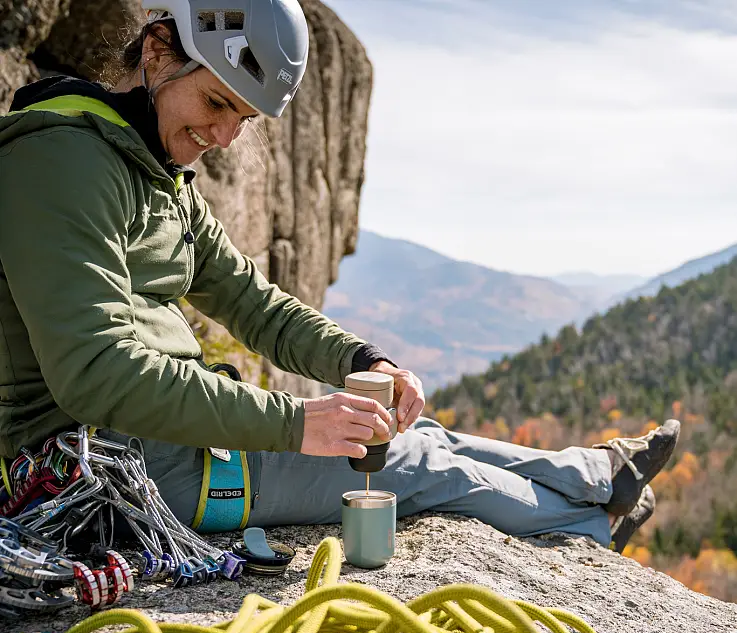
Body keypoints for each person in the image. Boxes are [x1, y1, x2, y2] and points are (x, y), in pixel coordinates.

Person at [0, 0, 679, 555]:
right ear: (156, 50)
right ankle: (587, 532)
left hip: (156, 440)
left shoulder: (152, 171)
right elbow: (92, 371)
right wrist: (296, 422)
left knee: (413, 437)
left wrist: (361, 358)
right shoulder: (60, 162)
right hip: (100, 466)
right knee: (415, 469)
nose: (225, 136)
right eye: (215, 101)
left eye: (243, 117)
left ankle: (593, 475)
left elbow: (251, 302)